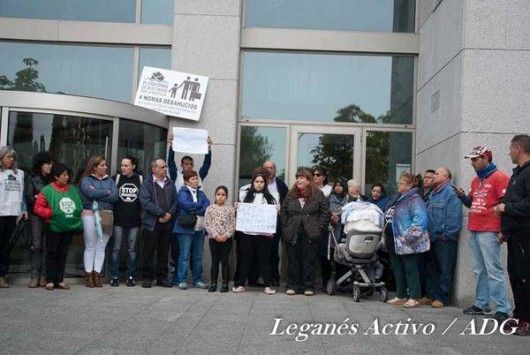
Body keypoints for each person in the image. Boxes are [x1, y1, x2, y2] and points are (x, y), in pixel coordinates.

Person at [454, 146, 511, 321]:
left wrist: (503, 230)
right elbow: (472, 203)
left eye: (475, 159)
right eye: (471, 159)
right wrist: (463, 197)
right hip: (475, 227)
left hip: (490, 229)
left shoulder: (500, 177)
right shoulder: (475, 181)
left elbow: (505, 204)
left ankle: (502, 308)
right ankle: (481, 304)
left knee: (493, 270)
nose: (472, 162)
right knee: (479, 270)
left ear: (485, 158)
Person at [494, 134, 530, 336]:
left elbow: (527, 205)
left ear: (517, 148)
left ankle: (527, 320)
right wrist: (504, 232)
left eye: (510, 149)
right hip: (515, 235)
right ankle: (519, 315)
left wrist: (505, 207)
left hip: (526, 234)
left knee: (525, 277)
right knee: (516, 276)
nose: (509, 152)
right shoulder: (518, 174)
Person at [34, 163, 82, 291]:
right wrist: (51, 213)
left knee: (63, 253)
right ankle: (50, 280)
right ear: (56, 176)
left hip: (68, 226)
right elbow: (38, 208)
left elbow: (78, 205)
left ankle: (60, 280)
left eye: (67, 175)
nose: (67, 177)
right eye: (64, 175)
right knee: (52, 252)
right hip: (53, 227)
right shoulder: (47, 190)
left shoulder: (72, 189)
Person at [281, 168, 329, 296]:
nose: (298, 180)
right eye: (297, 177)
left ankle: (308, 286)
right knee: (293, 260)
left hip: (311, 232)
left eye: (302, 178)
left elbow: (325, 212)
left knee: (309, 260)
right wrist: (286, 227)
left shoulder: (318, 194)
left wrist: (318, 227)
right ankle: (292, 285)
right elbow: (284, 212)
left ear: (309, 180)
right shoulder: (290, 194)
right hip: (293, 232)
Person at [385, 173, 430, 308]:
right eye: (399, 182)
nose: (399, 185)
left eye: (402, 183)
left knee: (411, 269)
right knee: (398, 268)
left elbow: (420, 220)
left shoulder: (415, 199)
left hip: (407, 241)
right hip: (396, 240)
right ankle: (401, 295)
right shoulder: (400, 198)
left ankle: (415, 297)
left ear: (410, 185)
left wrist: (408, 237)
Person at [233, 168, 278, 295]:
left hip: (263, 235)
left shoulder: (271, 198)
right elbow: (241, 212)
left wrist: (277, 210)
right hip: (247, 234)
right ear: (253, 182)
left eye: (262, 182)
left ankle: (268, 286)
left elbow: (272, 215)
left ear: (265, 184)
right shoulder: (244, 195)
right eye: (257, 181)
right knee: (245, 259)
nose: (259, 184)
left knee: (264, 260)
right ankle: (241, 284)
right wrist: (237, 207)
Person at [425, 167, 463, 308]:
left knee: (444, 268)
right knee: (431, 268)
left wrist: (446, 235)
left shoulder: (451, 193)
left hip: (444, 239)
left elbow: (454, 218)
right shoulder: (433, 194)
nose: (434, 176)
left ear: (446, 177)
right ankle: (431, 295)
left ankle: (442, 297)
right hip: (431, 237)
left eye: (437, 173)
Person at [79, 155, 118, 288]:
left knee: (101, 246)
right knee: (90, 245)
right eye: (102, 165)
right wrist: (106, 192)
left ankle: (97, 275)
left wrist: (99, 193)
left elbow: (114, 196)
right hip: (90, 215)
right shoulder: (86, 180)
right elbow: (89, 194)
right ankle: (89, 276)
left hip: (106, 215)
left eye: (105, 165)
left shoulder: (110, 181)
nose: (105, 167)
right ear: (94, 167)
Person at [139, 159, 177, 288]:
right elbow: (145, 201)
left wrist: (169, 214)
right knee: (148, 251)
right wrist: (161, 213)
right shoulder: (146, 184)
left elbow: (175, 202)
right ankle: (147, 277)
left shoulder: (170, 183)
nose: (165, 169)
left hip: (167, 223)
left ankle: (162, 278)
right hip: (151, 222)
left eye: (165, 167)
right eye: (162, 167)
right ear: (154, 169)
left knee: (164, 251)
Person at [172, 170, 210, 290]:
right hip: (184, 229)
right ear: (186, 181)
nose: (195, 181)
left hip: (198, 228)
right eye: (192, 179)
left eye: (196, 178)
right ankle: (181, 280)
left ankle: (197, 279)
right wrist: (198, 206)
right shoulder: (182, 192)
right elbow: (184, 204)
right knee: (184, 255)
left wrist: (196, 209)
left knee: (198, 255)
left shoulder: (201, 193)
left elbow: (207, 206)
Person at [110, 156, 143, 287]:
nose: (123, 167)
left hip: (134, 221)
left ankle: (130, 276)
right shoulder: (116, 179)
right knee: (116, 249)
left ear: (133, 166)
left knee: (132, 250)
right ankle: (114, 276)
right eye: (122, 165)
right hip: (118, 220)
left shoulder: (140, 179)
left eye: (126, 165)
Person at [25, 151, 54, 288]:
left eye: (51, 164)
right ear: (41, 164)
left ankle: (43, 276)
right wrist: (41, 199)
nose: (50, 166)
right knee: (36, 245)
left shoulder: (52, 179)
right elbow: (29, 198)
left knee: (46, 246)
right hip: (35, 215)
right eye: (47, 163)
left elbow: (54, 198)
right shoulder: (32, 178)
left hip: (49, 215)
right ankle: (34, 276)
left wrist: (39, 197)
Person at [0, 146, 27, 288]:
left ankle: (2, 276)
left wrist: (23, 210)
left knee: (7, 246)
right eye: (7, 157)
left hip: (13, 215)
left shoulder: (20, 174)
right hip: (0, 213)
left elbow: (22, 194)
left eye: (12, 157)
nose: (10, 160)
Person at [204, 185, 235, 293]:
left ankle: (225, 284)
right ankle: (213, 283)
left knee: (225, 261)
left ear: (226, 196)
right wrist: (215, 234)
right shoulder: (210, 208)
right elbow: (207, 223)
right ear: (215, 195)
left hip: (226, 240)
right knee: (215, 261)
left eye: (223, 195)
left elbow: (232, 224)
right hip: (214, 239)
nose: (220, 197)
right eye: (218, 194)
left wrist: (226, 235)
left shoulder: (230, 209)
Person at [263, 160, 288, 287]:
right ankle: (260, 277)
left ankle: (274, 277)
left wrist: (282, 209)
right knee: (261, 250)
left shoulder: (281, 185)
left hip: (276, 221)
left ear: (275, 170)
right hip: (260, 222)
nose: (268, 170)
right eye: (266, 168)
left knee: (273, 251)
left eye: (271, 167)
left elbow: (288, 202)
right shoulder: (258, 183)